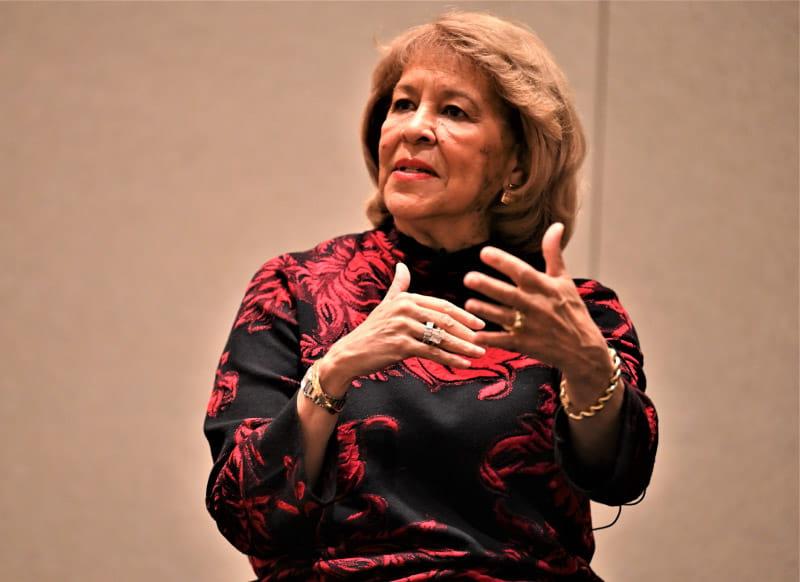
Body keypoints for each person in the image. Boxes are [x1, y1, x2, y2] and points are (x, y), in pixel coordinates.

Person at [204, 11, 658, 581]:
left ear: (516, 166)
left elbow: (622, 476)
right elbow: (244, 513)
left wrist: (590, 363)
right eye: (402, 104)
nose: (415, 128)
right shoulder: (295, 288)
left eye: (454, 111)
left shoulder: (573, 312)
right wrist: (335, 369)